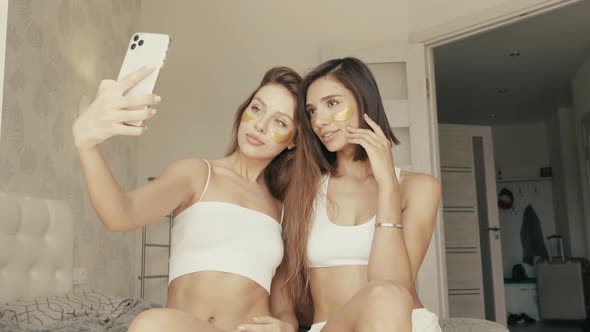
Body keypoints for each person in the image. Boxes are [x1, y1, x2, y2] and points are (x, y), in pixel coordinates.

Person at [72, 66, 301, 332]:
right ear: (244, 111)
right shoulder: (197, 174)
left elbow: (285, 309)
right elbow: (120, 214)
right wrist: (87, 145)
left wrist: (286, 328)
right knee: (150, 325)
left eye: (280, 122)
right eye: (257, 109)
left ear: (293, 141)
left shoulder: (282, 209)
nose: (260, 126)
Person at [280, 57, 443, 332]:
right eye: (311, 111)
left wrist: (387, 184)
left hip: (403, 324)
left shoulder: (419, 188)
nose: (319, 121)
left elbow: (392, 285)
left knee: (385, 295)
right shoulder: (301, 190)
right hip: (332, 327)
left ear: (364, 102)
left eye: (332, 103)